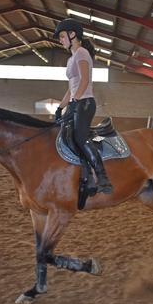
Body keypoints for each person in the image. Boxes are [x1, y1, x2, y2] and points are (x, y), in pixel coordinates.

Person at [53, 18, 113, 194]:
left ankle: (102, 177)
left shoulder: (81, 53)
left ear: (73, 35)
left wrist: (74, 101)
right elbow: (70, 88)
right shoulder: (71, 59)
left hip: (85, 102)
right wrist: (60, 107)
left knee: (79, 137)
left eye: (63, 36)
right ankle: (83, 172)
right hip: (76, 102)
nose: (61, 40)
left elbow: (85, 80)